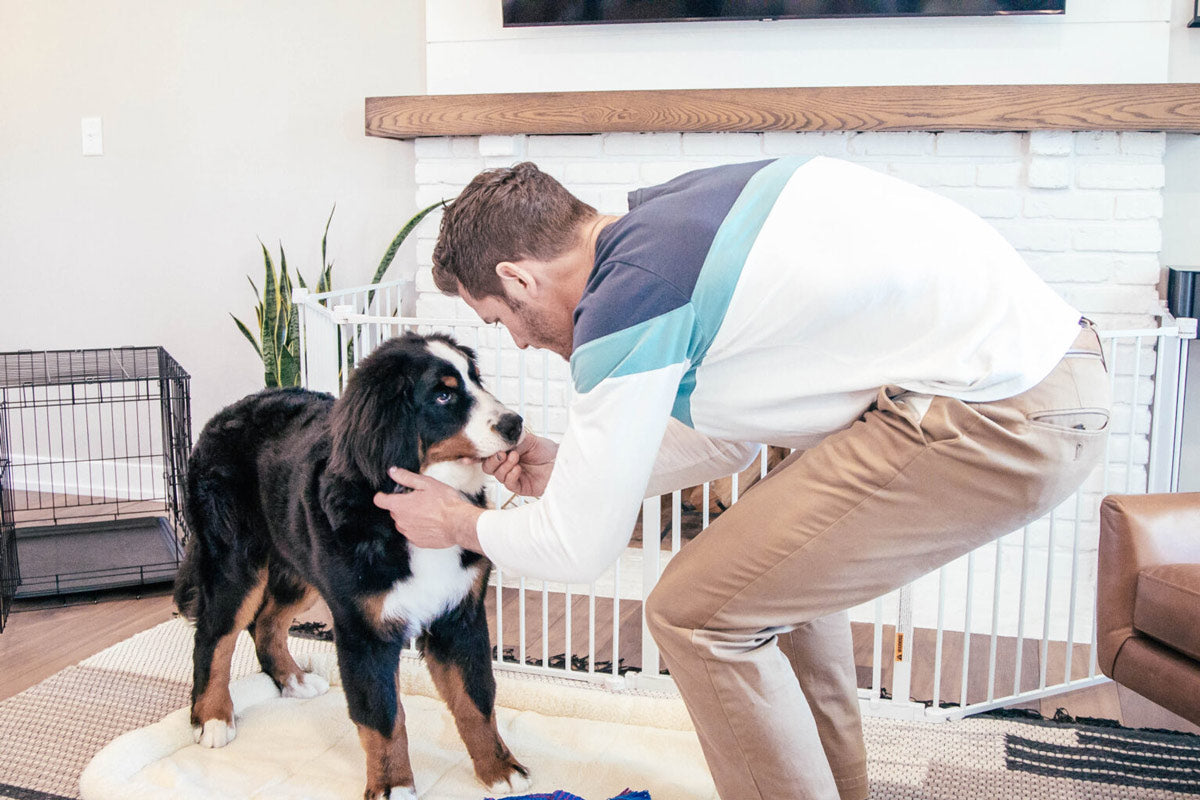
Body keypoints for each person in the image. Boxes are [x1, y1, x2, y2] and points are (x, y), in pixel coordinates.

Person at [372, 157, 1111, 799]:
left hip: (1001, 413)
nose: (524, 343)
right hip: (1040, 379)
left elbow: (577, 549)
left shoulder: (627, 300)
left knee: (694, 612)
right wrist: (572, 461)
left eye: (503, 321)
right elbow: (725, 440)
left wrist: (460, 524)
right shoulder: (673, 220)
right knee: (773, 586)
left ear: (518, 278)